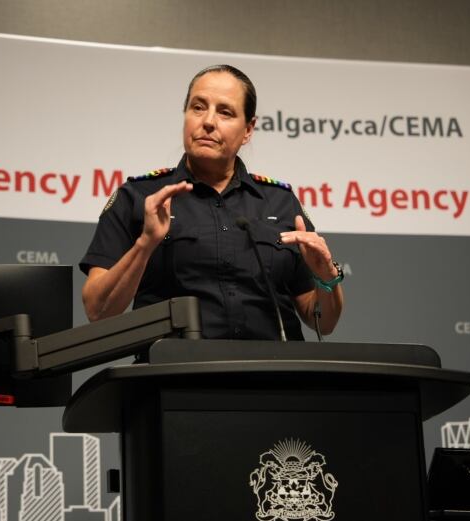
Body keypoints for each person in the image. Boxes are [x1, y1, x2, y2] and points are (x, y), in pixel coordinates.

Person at [79, 64, 343, 340]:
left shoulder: (280, 202)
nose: (208, 121)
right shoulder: (139, 197)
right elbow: (98, 311)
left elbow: (322, 323)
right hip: (175, 375)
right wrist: (145, 244)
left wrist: (327, 277)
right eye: (198, 107)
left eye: (225, 112)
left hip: (272, 376)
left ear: (248, 130)